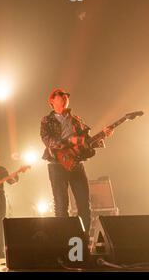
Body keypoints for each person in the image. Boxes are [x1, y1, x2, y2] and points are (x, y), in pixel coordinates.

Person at [40, 88, 113, 233]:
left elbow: (87, 141)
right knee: (61, 206)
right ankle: (63, 240)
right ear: (52, 101)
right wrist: (70, 140)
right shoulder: (46, 120)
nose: (65, 97)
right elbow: (48, 141)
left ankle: (83, 239)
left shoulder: (76, 120)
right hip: (57, 165)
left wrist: (103, 136)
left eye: (66, 96)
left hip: (76, 164)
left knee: (84, 204)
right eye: (61, 95)